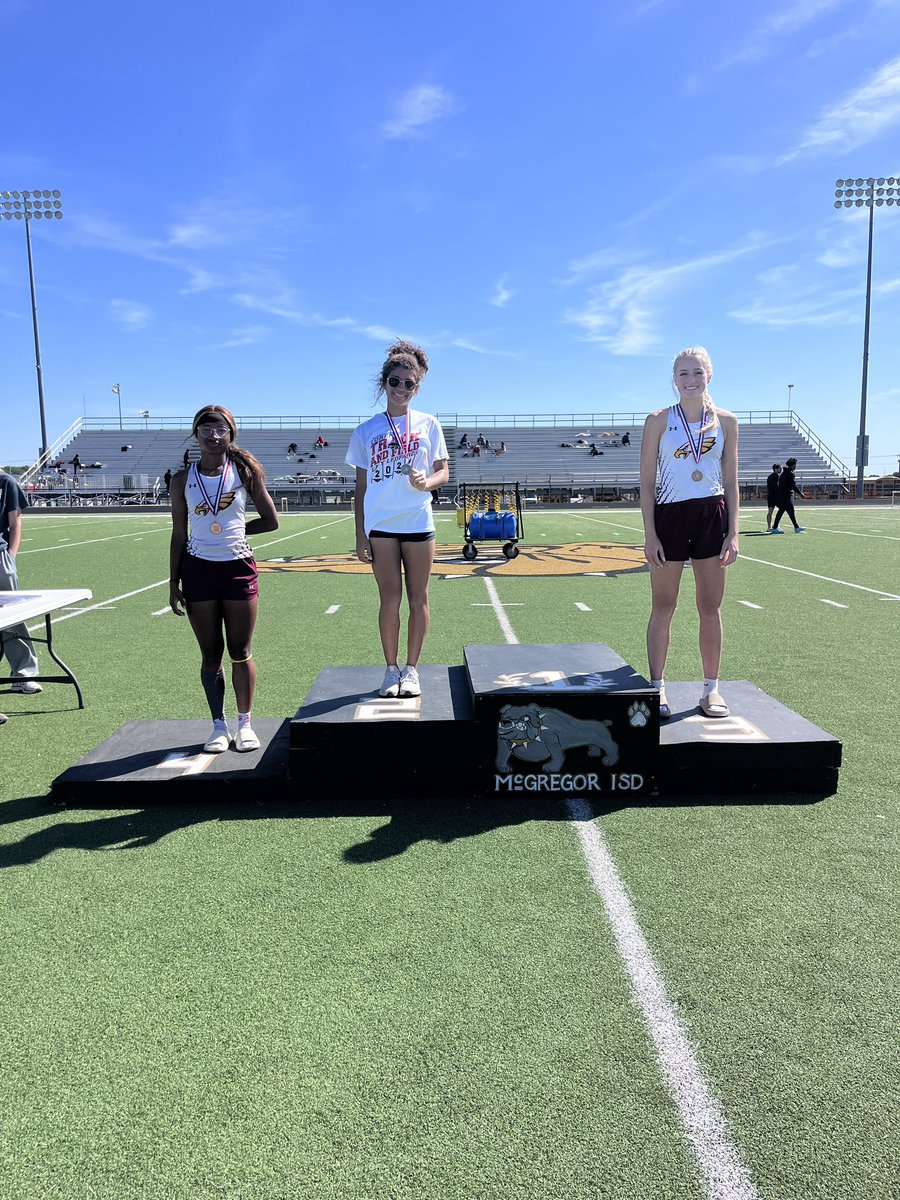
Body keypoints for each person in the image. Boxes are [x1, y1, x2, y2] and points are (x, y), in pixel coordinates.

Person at [169, 406, 279, 753]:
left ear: (231, 435)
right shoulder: (182, 479)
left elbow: (271, 520)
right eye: (206, 429)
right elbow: (178, 533)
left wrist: (235, 532)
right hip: (197, 569)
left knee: (240, 651)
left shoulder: (244, 472)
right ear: (196, 434)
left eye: (221, 430)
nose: (214, 436)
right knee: (209, 654)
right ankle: (219, 726)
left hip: (237, 567)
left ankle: (245, 722)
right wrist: (173, 582)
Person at [640, 346, 739, 720]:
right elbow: (647, 483)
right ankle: (657, 688)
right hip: (669, 517)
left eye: (697, 372)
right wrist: (650, 534)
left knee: (710, 608)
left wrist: (733, 533)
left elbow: (730, 483)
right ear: (674, 379)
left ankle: (711, 690)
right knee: (663, 606)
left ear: (709, 375)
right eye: (683, 373)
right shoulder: (658, 420)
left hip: (711, 516)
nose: (691, 380)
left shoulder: (726, 422)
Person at [347, 340, 449, 699]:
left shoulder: (429, 423)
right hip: (381, 524)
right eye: (395, 381)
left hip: (418, 521)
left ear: (417, 387)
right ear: (384, 383)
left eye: (409, 383)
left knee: (418, 597)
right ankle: (390, 670)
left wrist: (427, 482)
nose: (402, 389)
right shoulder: (366, 430)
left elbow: (444, 472)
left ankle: (412, 669)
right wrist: (360, 535)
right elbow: (360, 489)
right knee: (389, 598)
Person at [0, 471, 42, 696]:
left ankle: (24, 674)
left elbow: (15, 523)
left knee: (12, 617)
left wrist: (10, 557)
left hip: (0, 557)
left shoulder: (6, 482)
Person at [769, 458, 806, 533]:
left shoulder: (784, 472)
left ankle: (796, 527)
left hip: (783, 495)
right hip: (786, 495)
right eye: (795, 465)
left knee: (787, 511)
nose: (795, 466)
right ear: (792, 465)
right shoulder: (790, 474)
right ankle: (776, 527)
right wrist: (800, 493)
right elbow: (793, 485)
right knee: (788, 511)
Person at [765, 463, 782, 530]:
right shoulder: (777, 476)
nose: (781, 469)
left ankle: (769, 527)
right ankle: (776, 525)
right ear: (775, 469)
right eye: (780, 468)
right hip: (776, 496)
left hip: (770, 496)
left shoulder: (769, 476)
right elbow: (777, 486)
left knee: (770, 512)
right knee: (782, 509)